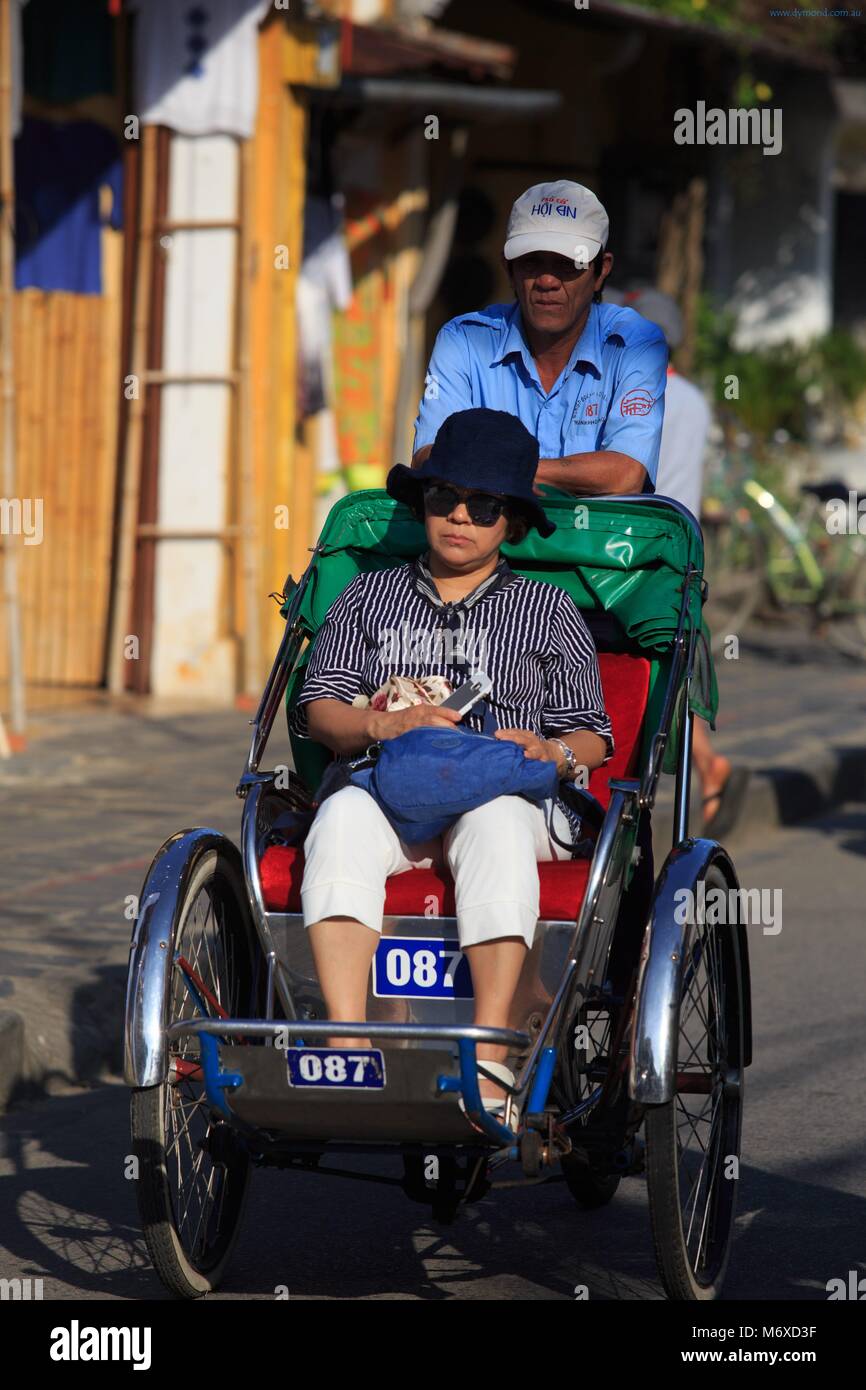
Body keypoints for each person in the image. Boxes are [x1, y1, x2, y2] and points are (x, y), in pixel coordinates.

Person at [290, 409, 613, 1112]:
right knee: (340, 814)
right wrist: (384, 721)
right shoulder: (367, 597)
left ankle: (491, 1058)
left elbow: (593, 733)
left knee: (494, 822)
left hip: (510, 797)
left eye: (484, 506)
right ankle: (349, 1050)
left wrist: (550, 749)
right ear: (422, 504)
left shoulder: (550, 609)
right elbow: (320, 707)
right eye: (443, 499)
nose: (460, 517)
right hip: (387, 788)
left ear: (514, 523)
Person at [412, 181, 668, 497]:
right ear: (509, 269)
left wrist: (491, 469)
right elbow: (428, 458)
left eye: (568, 264)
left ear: (601, 271)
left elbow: (625, 475)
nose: (547, 280)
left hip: (593, 545)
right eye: (532, 261)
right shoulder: (461, 340)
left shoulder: (634, 344)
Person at [625, 287, 749, 836]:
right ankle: (706, 764)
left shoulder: (630, 395)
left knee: (647, 673)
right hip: (682, 550)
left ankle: (695, 766)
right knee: (672, 667)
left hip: (635, 548)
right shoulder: (696, 399)